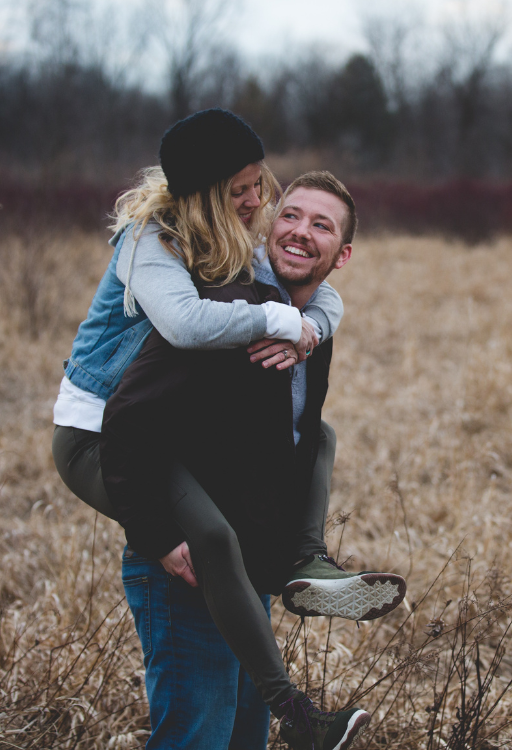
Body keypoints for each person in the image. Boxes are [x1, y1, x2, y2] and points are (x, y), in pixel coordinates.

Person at [50, 109, 401, 748]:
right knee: (207, 537)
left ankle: (305, 559)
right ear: (208, 194)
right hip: (100, 426)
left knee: (317, 438)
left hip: (162, 442)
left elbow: (313, 287)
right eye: (241, 190)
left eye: (258, 183)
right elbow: (184, 327)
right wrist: (279, 322)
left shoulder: (236, 247)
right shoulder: (152, 242)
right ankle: (298, 715)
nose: (259, 200)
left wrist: (311, 326)